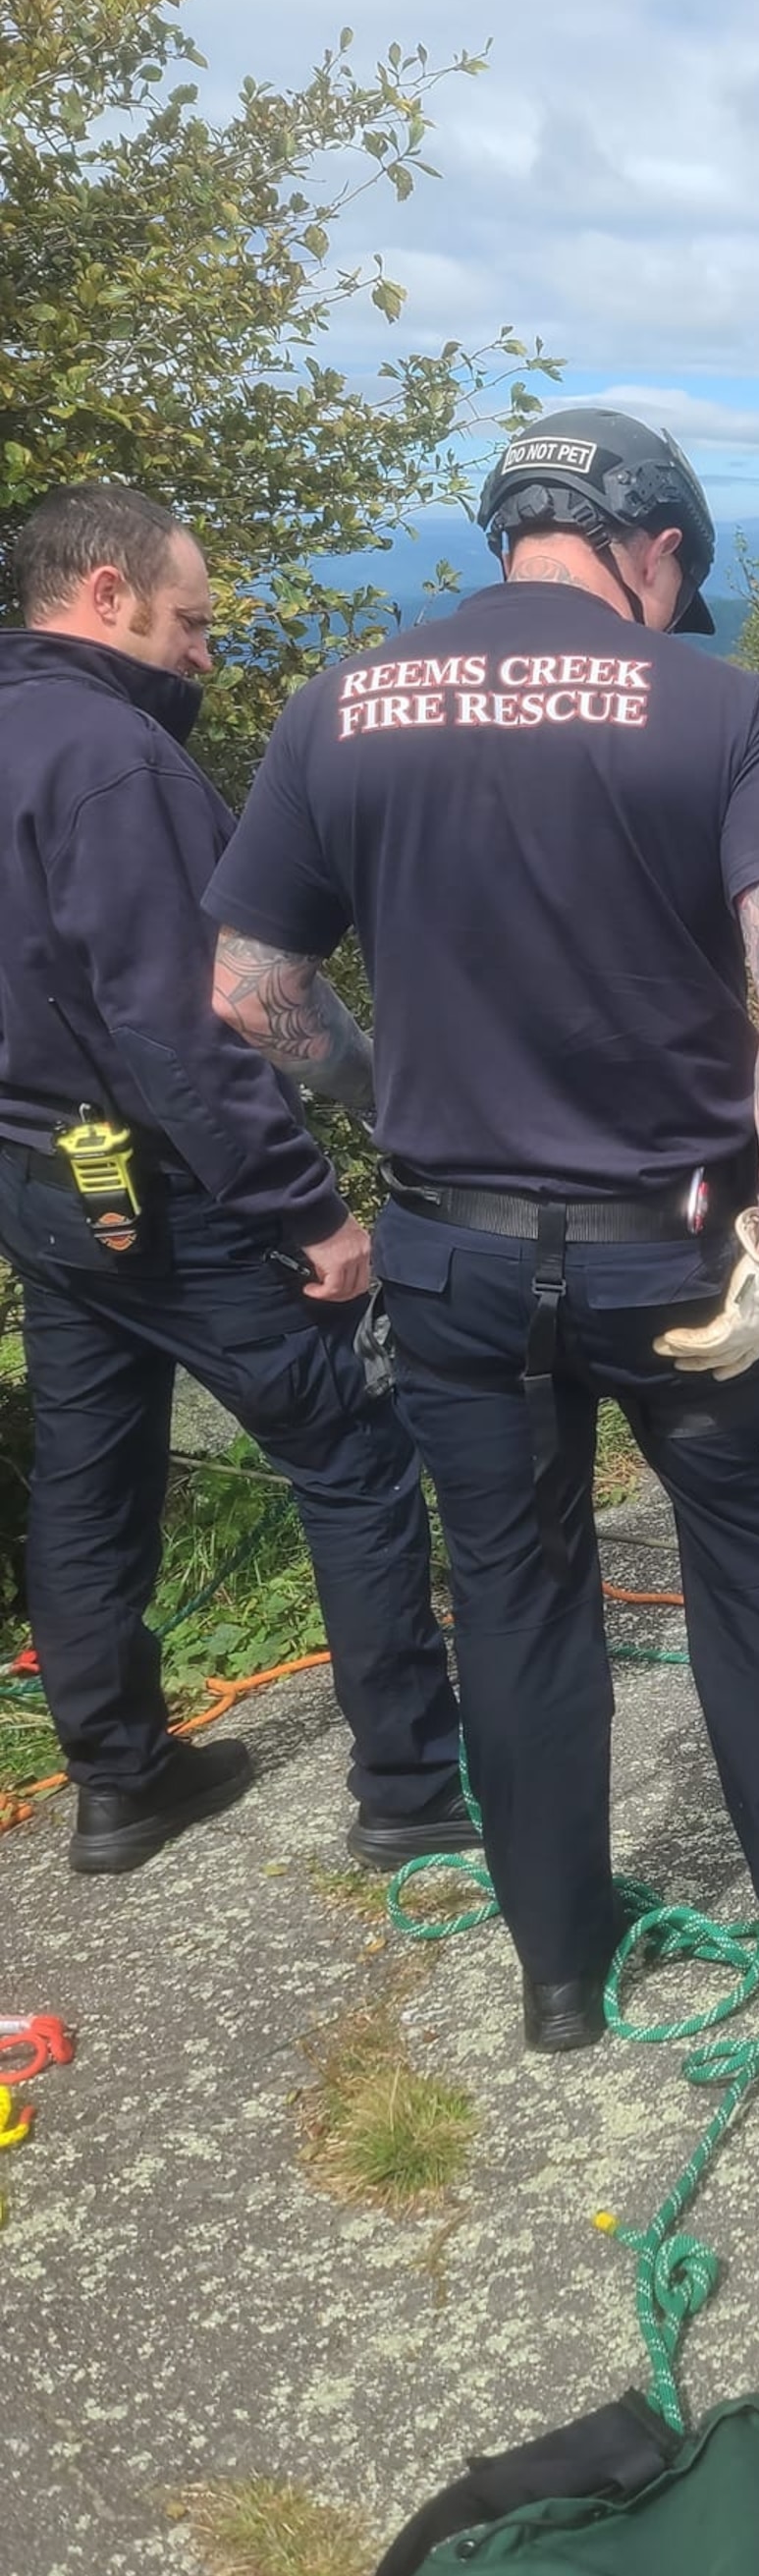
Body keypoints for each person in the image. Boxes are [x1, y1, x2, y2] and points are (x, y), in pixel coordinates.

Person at [203, 409, 759, 2050]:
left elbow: (247, 990)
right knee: (757, 1565)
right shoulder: (727, 715)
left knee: (512, 1596)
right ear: (651, 542)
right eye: (684, 576)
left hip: (451, 1248)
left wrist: (389, 1095)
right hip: (680, 1242)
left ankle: (559, 1967)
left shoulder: (339, 707)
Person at [0, 484, 465, 1874]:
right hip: (176, 1187)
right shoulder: (111, 760)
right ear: (103, 593)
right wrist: (307, 1212)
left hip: (42, 1183)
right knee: (352, 1457)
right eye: (190, 619)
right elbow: (187, 1021)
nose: (205, 651)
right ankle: (412, 1788)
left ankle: (120, 1778)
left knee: (87, 1476)